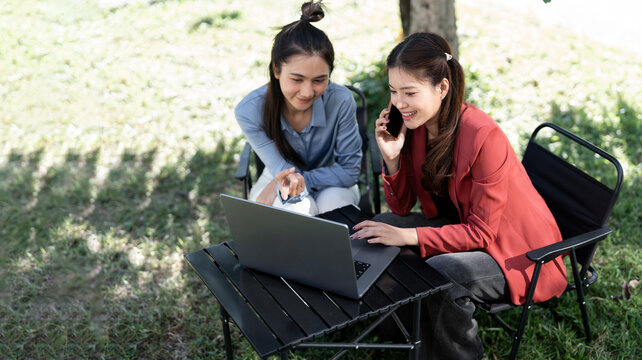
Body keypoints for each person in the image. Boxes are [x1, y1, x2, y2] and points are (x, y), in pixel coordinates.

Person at [351, 33, 568, 359]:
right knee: (378, 230)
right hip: (459, 223)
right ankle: (401, 335)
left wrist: (408, 234)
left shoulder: (484, 135)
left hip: (514, 251)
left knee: (443, 274)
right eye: (393, 91)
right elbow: (400, 206)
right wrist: (393, 158)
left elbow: (483, 233)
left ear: (442, 88)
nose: (398, 104)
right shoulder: (416, 125)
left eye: (410, 92)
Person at [234, 1, 362, 216]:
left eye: (319, 80)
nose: (307, 92)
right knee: (293, 213)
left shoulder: (341, 100)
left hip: (333, 179)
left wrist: (287, 183)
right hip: (278, 172)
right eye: (297, 79)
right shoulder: (249, 111)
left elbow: (349, 171)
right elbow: (282, 170)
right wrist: (278, 183)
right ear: (276, 69)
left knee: (336, 211)